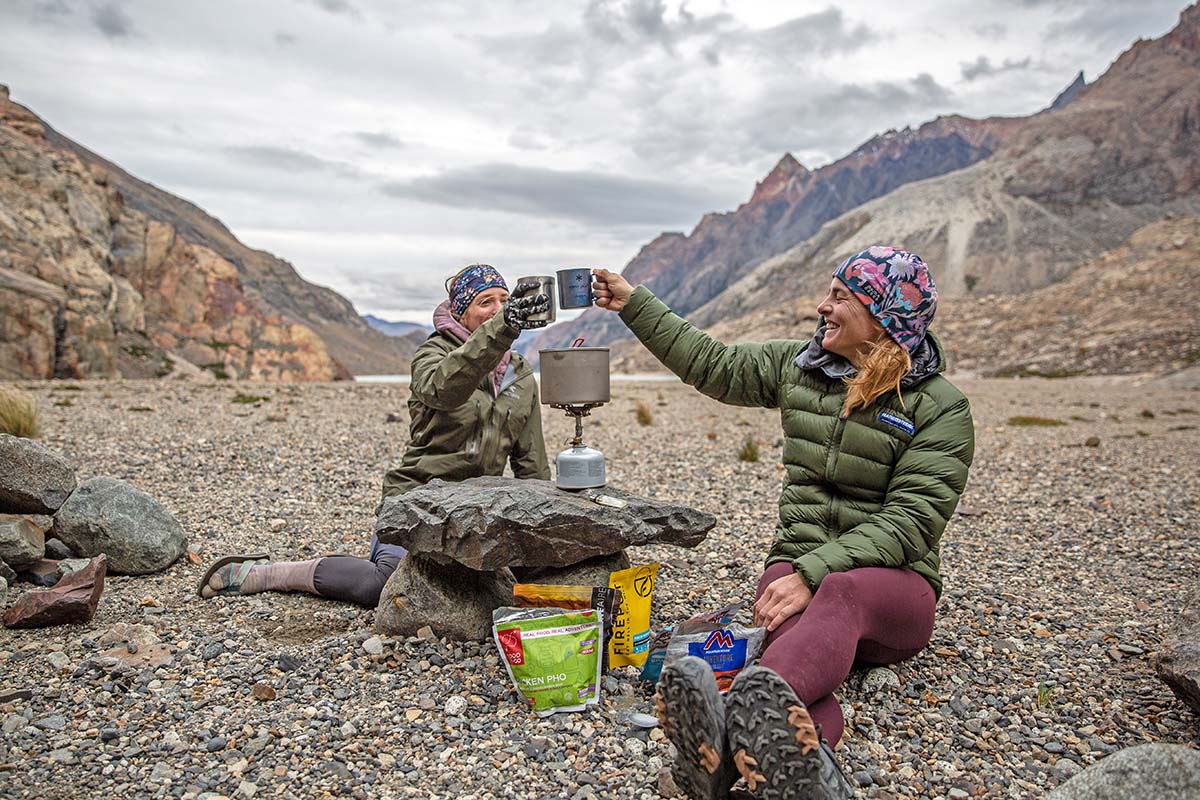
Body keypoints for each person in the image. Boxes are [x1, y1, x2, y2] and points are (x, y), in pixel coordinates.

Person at [593, 247, 974, 800]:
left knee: (838, 591)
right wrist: (634, 304)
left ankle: (717, 739)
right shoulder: (797, 368)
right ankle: (788, 770)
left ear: (883, 317)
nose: (823, 306)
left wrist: (811, 574)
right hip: (793, 571)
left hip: (891, 592)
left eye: (841, 297)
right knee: (789, 682)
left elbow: (912, 523)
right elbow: (712, 364)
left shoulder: (940, 408)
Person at [197, 264, 552, 607]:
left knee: (531, 574)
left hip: (478, 508)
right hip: (418, 498)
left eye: (506, 300)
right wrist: (503, 328)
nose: (498, 308)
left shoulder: (520, 374)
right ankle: (261, 574)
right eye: (485, 301)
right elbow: (445, 389)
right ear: (461, 312)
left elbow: (531, 463)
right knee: (381, 585)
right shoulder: (433, 355)